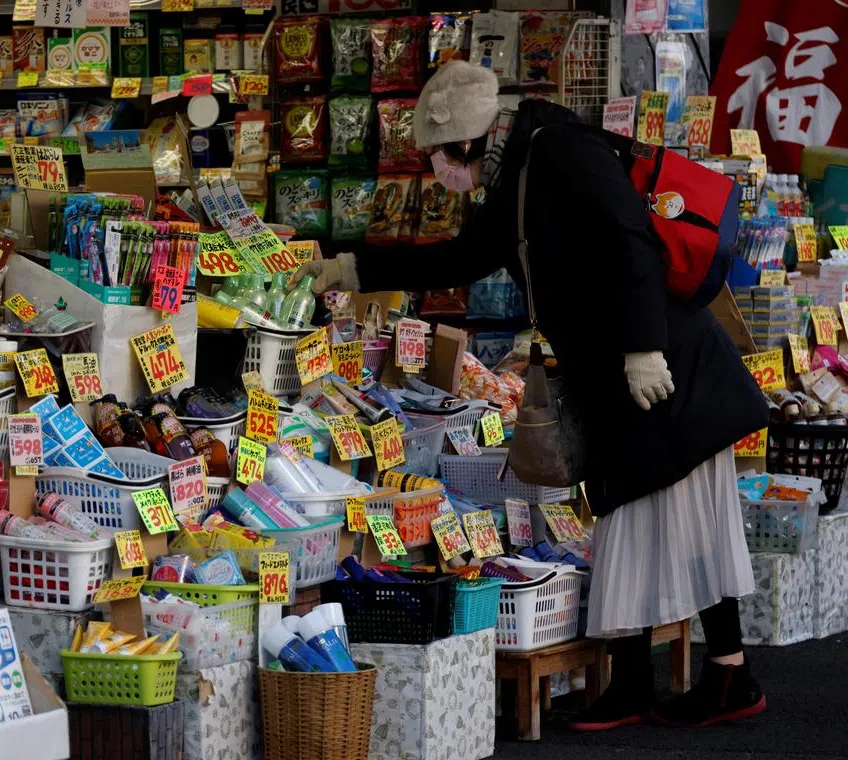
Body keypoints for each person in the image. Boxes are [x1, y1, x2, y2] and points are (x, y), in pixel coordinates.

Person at [291, 61, 769, 730]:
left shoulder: (559, 152)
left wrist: (643, 347)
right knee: (645, 509)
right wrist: (353, 266)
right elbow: (458, 258)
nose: (437, 173)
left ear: (465, 141)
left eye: (435, 157)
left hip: (660, 362)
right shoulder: (515, 173)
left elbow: (630, 238)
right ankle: (718, 674)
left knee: (661, 511)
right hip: (620, 368)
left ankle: (689, 678)